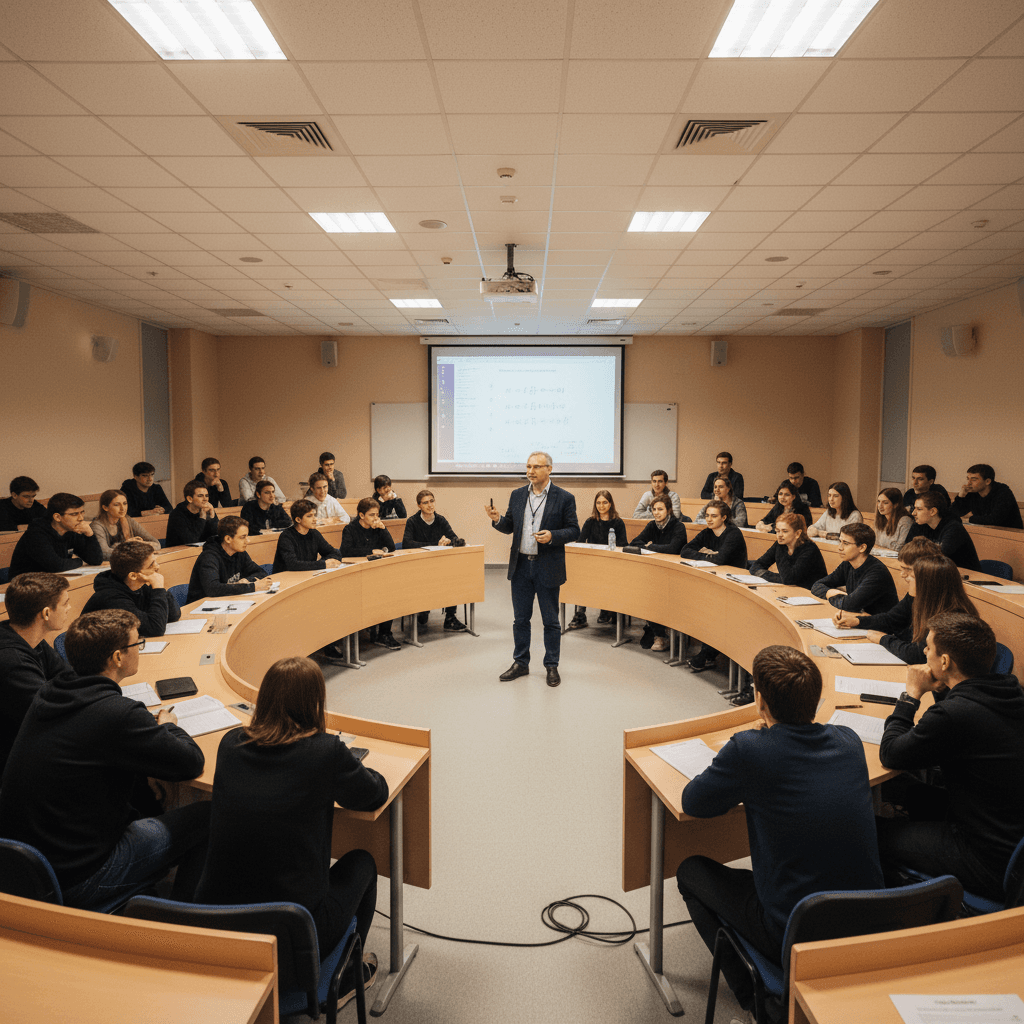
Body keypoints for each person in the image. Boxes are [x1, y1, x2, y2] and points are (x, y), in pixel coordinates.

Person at [676, 646, 882, 1024]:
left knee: (690, 872)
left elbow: (693, 801)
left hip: (794, 930)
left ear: (759, 700)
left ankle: (762, 1007)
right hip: (869, 919)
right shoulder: (849, 742)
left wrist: (754, 747)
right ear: (817, 701)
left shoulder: (750, 750)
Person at [195, 657, 387, 1002]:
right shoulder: (325, 752)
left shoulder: (230, 743)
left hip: (218, 921)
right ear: (315, 704)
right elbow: (374, 793)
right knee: (363, 863)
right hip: (295, 932)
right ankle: (344, 976)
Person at [0, 609, 210, 911]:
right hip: (81, 878)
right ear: (117, 657)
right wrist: (169, 725)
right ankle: (183, 919)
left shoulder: (50, 694)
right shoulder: (116, 713)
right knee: (208, 816)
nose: (140, 650)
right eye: (138, 644)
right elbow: (190, 762)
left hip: (29, 868)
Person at [877, 612, 1024, 903]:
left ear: (944, 662)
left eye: (928, 648)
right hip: (1006, 831)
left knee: (871, 830)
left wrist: (911, 695)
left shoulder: (954, 715)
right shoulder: (1010, 691)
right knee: (903, 789)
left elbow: (891, 753)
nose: (924, 652)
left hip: (985, 857)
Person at [485, 451, 579, 687]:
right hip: (521, 567)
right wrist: (497, 519)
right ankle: (521, 663)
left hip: (548, 566)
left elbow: (574, 530)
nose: (530, 471)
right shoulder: (517, 495)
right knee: (520, 620)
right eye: (528, 466)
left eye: (536, 467)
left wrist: (552, 536)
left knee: (551, 621)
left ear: (549, 469)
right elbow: (510, 527)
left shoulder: (564, 497)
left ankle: (551, 666)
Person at [833, 544, 977, 664]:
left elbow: (918, 655)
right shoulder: (925, 598)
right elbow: (892, 619)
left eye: (911, 573)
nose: (904, 576)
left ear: (927, 580)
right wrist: (857, 621)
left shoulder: (950, 615)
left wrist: (883, 639)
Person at [0, 573, 73, 775]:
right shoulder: (11, 661)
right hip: (16, 765)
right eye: (65, 603)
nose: (69, 608)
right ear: (46, 613)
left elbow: (68, 679)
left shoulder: (31, 639)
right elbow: (49, 713)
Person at [683, 501, 749, 676]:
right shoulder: (707, 532)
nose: (709, 519)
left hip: (735, 585)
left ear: (724, 517)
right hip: (715, 581)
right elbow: (685, 550)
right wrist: (708, 555)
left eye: (714, 516)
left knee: (717, 613)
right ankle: (708, 652)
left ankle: (707, 653)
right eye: (707, 515)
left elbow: (721, 560)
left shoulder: (733, 533)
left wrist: (711, 556)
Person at [82, 538, 182, 637]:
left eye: (155, 561)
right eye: (151, 565)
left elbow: (174, 614)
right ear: (133, 576)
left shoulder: (138, 586)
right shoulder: (112, 598)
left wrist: (157, 588)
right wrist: (158, 589)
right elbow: (155, 628)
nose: (157, 566)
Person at [401, 489, 467, 632]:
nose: (430, 505)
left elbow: (453, 536)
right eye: (425, 503)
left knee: (453, 578)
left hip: (439, 564)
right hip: (418, 565)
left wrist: (454, 541)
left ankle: (450, 618)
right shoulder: (412, 521)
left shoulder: (440, 520)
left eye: (432, 501)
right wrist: (435, 544)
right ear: (419, 505)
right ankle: (423, 609)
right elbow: (407, 543)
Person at [341, 498, 401, 651]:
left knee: (390, 591)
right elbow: (345, 551)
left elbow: (391, 547)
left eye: (377, 514)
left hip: (376, 571)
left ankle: (384, 634)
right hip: (357, 573)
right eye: (372, 515)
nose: (376, 518)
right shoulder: (350, 529)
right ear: (361, 515)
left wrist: (383, 528)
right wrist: (370, 551)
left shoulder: (377, 527)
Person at [632, 495, 689, 651]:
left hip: (676, 574)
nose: (656, 513)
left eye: (660, 509)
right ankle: (659, 634)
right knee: (647, 593)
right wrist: (652, 546)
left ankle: (664, 631)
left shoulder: (678, 527)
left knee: (661, 596)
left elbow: (674, 549)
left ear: (669, 510)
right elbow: (635, 542)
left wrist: (650, 547)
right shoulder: (652, 525)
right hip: (656, 571)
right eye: (654, 509)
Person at [567, 490, 628, 631]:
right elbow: (581, 542)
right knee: (582, 578)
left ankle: (606, 608)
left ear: (610, 504)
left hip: (612, 563)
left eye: (605, 502)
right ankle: (580, 614)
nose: (601, 506)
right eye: (598, 503)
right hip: (593, 562)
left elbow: (623, 544)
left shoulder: (618, 523)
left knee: (607, 578)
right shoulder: (590, 521)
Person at [9, 492, 102, 579]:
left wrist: (90, 535)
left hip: (50, 580)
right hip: (24, 585)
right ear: (57, 517)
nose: (81, 518)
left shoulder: (72, 530)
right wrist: (80, 561)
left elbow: (96, 560)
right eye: (74, 514)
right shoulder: (36, 534)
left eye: (82, 512)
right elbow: (56, 566)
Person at [810, 523, 899, 614]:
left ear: (862, 547)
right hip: (860, 621)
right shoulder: (848, 564)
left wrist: (832, 595)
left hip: (879, 627)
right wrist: (829, 592)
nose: (840, 547)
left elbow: (849, 605)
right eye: (840, 541)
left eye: (846, 543)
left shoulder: (877, 573)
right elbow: (816, 585)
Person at [186, 516, 272, 603]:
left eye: (247, 536)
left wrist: (247, 580)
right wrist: (252, 587)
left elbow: (261, 572)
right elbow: (213, 589)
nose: (248, 541)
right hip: (201, 607)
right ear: (228, 539)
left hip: (225, 602)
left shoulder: (240, 553)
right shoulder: (209, 557)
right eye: (243, 537)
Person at [747, 511, 827, 589]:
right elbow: (756, 565)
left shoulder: (809, 549)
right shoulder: (780, 544)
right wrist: (777, 577)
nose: (780, 535)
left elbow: (788, 579)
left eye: (785, 531)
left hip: (812, 594)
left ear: (797, 533)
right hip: (793, 590)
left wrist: (766, 575)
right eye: (777, 531)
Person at [906, 491, 981, 571]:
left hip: (965, 576)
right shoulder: (919, 524)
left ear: (933, 512)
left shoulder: (954, 528)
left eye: (919, 509)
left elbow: (938, 558)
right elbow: (906, 550)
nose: (913, 513)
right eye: (914, 508)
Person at [272, 499, 343, 573]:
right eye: (309, 516)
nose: (315, 519)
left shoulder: (314, 533)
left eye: (314, 515)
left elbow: (335, 553)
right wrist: (322, 564)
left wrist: (327, 562)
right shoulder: (286, 536)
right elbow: (293, 564)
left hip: (306, 574)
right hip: (285, 578)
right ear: (298, 519)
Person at [90, 488, 160, 559]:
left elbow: (157, 544)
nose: (122, 508)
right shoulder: (97, 526)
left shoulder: (129, 520)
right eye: (117, 505)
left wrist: (136, 545)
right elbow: (104, 553)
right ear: (105, 507)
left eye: (125, 503)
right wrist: (127, 545)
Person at [950, 463, 1022, 529]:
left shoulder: (1003, 491)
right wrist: (961, 496)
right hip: (985, 531)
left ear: (987, 481)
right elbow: (953, 514)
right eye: (968, 479)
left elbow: (995, 519)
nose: (968, 483)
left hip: (1010, 534)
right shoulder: (973, 492)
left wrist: (969, 519)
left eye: (974, 480)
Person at [165, 480, 219, 548]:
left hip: (202, 551)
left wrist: (212, 517)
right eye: (200, 496)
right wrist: (202, 518)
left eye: (207, 495)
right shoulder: (177, 515)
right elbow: (191, 541)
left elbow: (217, 536)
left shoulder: (207, 510)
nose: (205, 499)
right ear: (190, 499)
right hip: (179, 553)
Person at [874, 487, 912, 551]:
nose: (880, 505)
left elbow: (900, 548)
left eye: (885, 503)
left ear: (895, 505)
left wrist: (884, 544)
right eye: (879, 501)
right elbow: (876, 542)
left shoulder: (905, 521)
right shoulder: (880, 519)